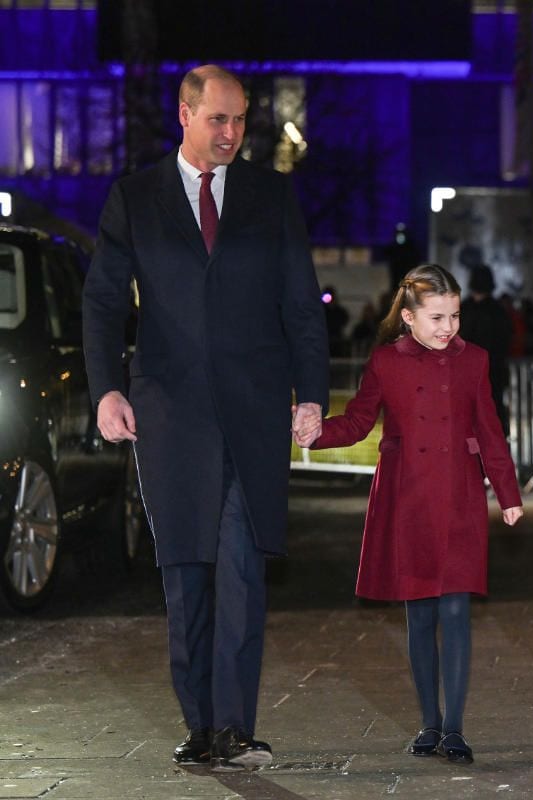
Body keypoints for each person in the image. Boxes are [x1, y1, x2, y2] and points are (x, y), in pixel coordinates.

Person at [83, 65, 329, 771]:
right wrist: (106, 390)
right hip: (168, 412)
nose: (231, 134)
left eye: (240, 119)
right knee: (186, 569)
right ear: (184, 115)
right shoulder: (134, 197)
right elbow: (102, 303)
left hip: (252, 412)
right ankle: (198, 724)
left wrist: (311, 393)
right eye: (218, 119)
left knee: (243, 570)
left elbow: (299, 303)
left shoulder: (270, 196)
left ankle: (234, 728)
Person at [294, 264, 523, 764]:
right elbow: (357, 421)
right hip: (407, 498)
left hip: (459, 496)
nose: (449, 328)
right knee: (419, 614)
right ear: (409, 318)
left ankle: (456, 729)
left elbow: (489, 430)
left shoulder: (475, 361)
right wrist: (316, 432)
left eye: (455, 317)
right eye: (438, 317)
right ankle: (429, 724)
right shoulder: (384, 362)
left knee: (457, 611)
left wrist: (508, 493)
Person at [460, 265, 512, 435]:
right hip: (492, 373)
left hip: (467, 375)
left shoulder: (463, 310)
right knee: (492, 420)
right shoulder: (498, 312)